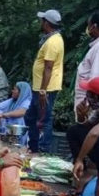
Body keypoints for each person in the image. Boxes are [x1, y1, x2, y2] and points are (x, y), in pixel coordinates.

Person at [25, 9, 64, 153]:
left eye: (42, 20)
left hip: (46, 88)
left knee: (44, 119)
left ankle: (43, 150)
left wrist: (43, 90)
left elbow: (48, 67)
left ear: (47, 23)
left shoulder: (53, 42)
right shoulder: (50, 38)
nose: (40, 22)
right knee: (30, 117)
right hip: (39, 87)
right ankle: (34, 147)